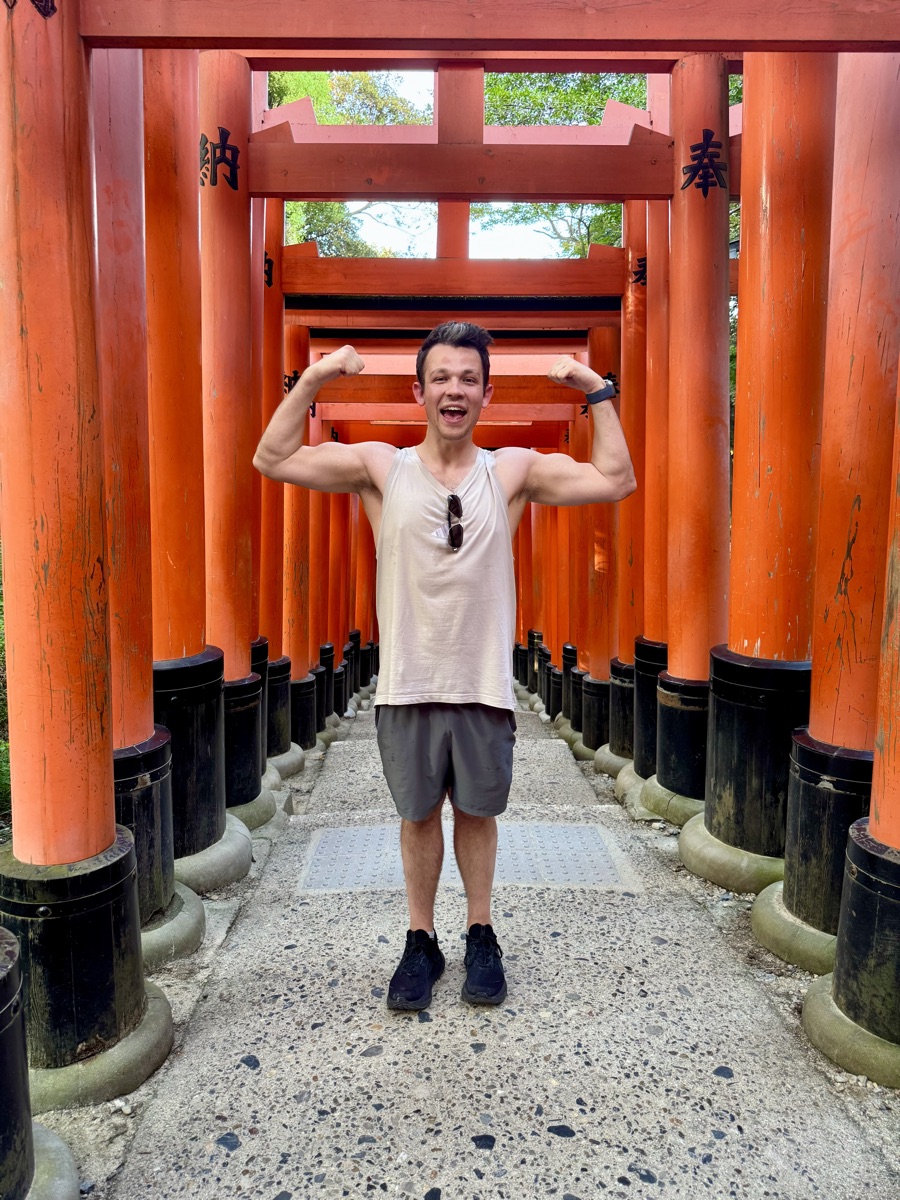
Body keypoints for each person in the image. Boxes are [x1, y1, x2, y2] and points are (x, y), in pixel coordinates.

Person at [253, 322, 635, 1012]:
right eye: (441, 378)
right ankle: (420, 939)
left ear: (485, 393)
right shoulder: (379, 466)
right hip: (407, 679)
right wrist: (316, 378)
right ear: (419, 390)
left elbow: (616, 480)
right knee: (419, 815)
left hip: (483, 681)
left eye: (467, 379)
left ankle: (481, 931)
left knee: (478, 814)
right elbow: (272, 458)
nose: (453, 390)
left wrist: (595, 390)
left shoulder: (511, 470)